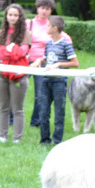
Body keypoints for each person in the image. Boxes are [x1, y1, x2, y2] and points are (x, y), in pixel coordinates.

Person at [31, 15, 78, 146]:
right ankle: (44, 140)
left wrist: (58, 64)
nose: (46, 28)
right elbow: (47, 58)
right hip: (46, 81)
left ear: (55, 28)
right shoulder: (49, 43)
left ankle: (57, 141)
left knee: (59, 113)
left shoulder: (65, 44)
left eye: (48, 26)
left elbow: (75, 62)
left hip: (59, 82)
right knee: (43, 111)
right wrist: (40, 60)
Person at [26, 0, 71, 127]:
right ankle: (12, 119)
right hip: (27, 60)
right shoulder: (29, 23)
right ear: (37, 8)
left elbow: (66, 39)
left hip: (44, 62)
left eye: (47, 9)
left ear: (51, 11)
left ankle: (36, 122)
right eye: (42, 8)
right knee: (17, 89)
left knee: (40, 94)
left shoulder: (51, 26)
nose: (44, 11)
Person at [0, 4, 31, 143]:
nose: (13, 18)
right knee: (3, 107)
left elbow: (22, 52)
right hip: (0, 74)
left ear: (20, 17)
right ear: (6, 16)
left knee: (18, 108)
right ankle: (2, 135)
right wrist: (12, 51)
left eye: (15, 15)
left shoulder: (26, 34)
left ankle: (17, 137)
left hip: (18, 75)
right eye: (10, 15)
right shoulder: (0, 33)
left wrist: (7, 52)